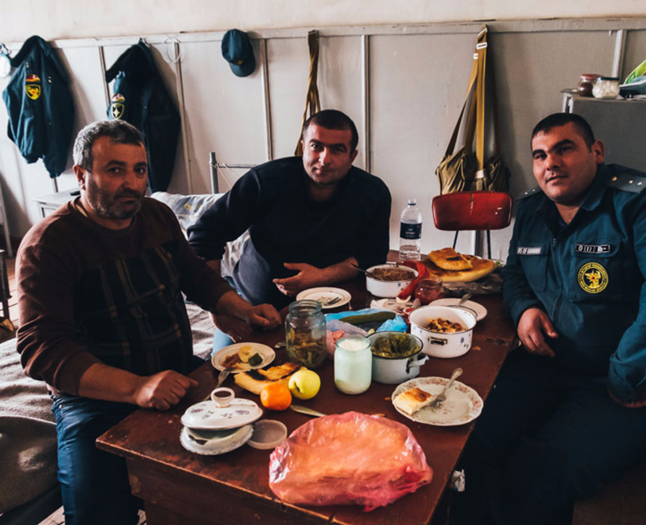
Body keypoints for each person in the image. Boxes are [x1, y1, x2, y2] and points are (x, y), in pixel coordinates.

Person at [16, 120, 281, 525]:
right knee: (96, 516)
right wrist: (136, 388)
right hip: (95, 400)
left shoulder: (156, 215)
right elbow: (42, 350)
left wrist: (241, 307)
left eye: (139, 170)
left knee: (245, 475)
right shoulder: (47, 245)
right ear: (82, 175)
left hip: (178, 372)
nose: (132, 183)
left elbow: (196, 277)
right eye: (115, 170)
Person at [459, 113, 646, 525]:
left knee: (545, 468)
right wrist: (524, 311)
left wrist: (628, 375)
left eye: (563, 148)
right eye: (539, 155)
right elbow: (515, 273)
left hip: (629, 382)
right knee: (471, 438)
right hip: (547, 365)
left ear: (597, 152)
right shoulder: (533, 208)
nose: (549, 162)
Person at [188, 109, 391, 350]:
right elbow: (205, 234)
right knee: (225, 373)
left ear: (352, 155)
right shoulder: (264, 182)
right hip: (249, 307)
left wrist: (322, 276)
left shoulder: (372, 194)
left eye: (337, 149)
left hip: (333, 308)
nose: (324, 159)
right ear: (303, 146)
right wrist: (217, 306)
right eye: (316, 146)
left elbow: (373, 256)